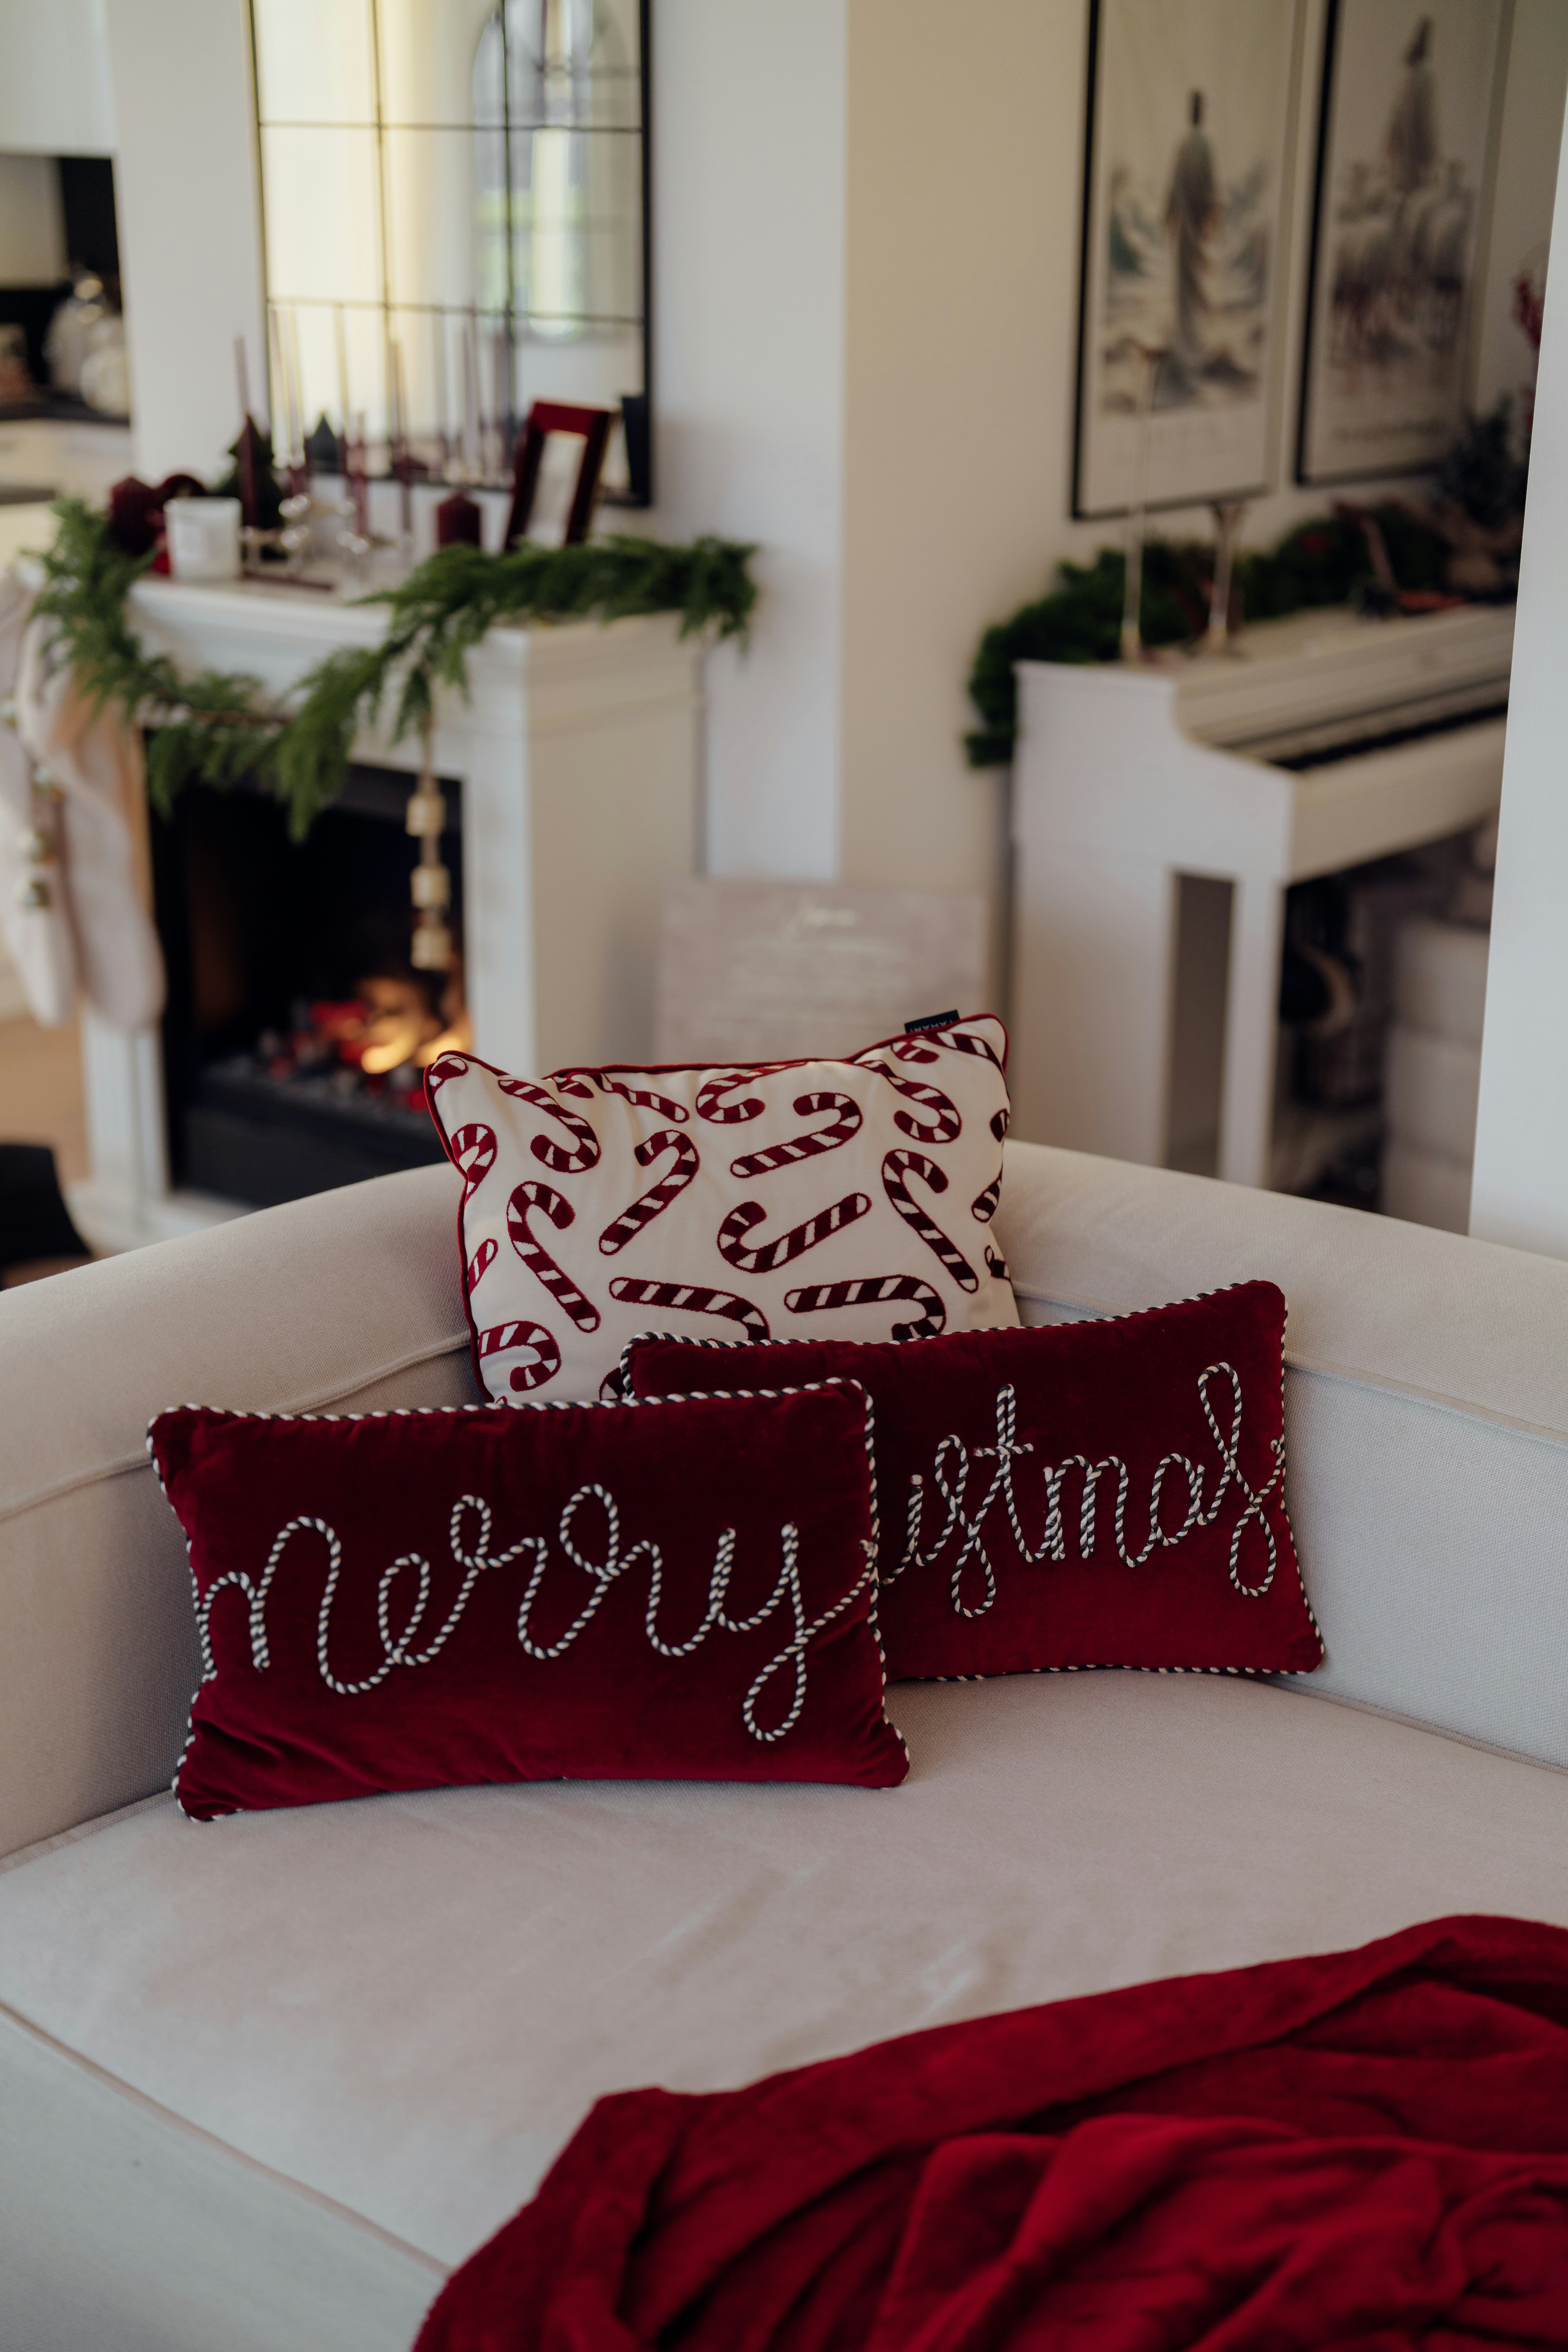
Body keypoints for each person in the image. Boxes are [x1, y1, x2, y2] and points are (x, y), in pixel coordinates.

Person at [1164, 89, 1219, 375]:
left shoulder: (1187, 146)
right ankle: (1191, 346)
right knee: (1192, 281)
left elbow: (1176, 187)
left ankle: (1192, 346)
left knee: (1189, 282)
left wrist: (1169, 217)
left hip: (1190, 226)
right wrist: (1209, 223)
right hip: (1193, 225)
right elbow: (1209, 190)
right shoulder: (1199, 147)